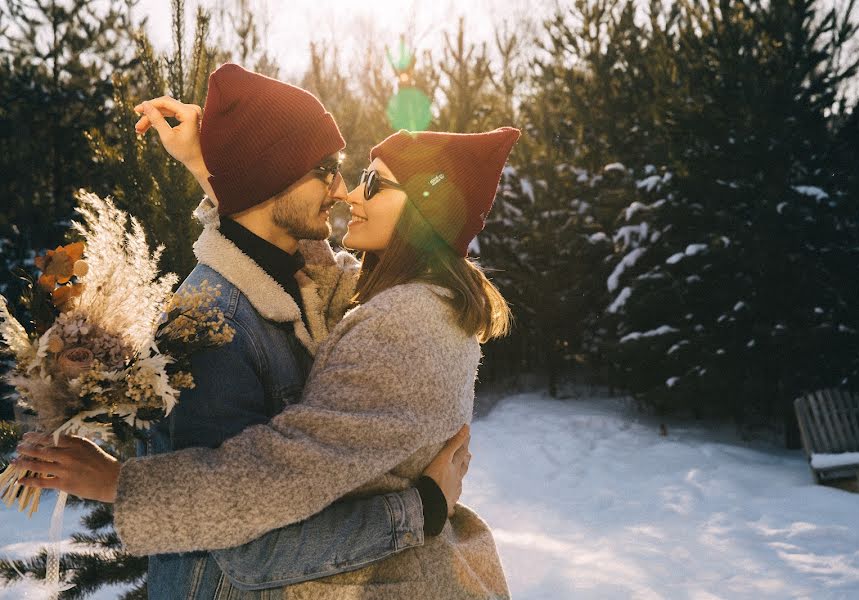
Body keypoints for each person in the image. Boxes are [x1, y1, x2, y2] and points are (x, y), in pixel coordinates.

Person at [17, 65, 520, 598]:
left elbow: (280, 475)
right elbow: (251, 547)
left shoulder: (405, 320)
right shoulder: (216, 326)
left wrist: (117, 483)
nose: (346, 191)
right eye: (330, 170)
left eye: (369, 181)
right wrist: (211, 165)